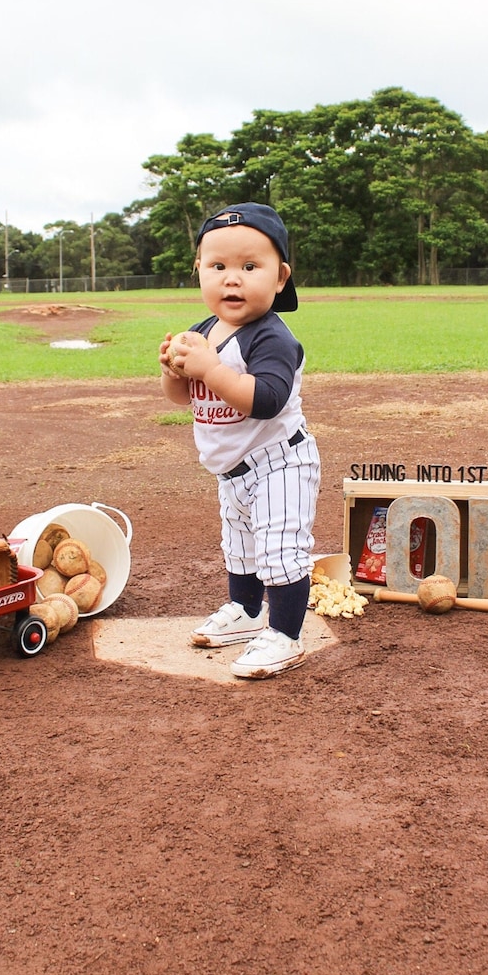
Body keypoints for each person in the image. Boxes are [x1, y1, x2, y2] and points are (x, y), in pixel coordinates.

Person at [159, 203, 321, 679]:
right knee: (241, 547)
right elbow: (179, 397)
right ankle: (248, 613)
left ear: (280, 276)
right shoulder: (204, 331)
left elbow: (267, 399)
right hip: (232, 470)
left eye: (250, 267)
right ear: (199, 271)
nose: (233, 279)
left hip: (280, 464)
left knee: (280, 548)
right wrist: (174, 369)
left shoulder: (272, 337)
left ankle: (286, 635)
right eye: (219, 266)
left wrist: (210, 368)